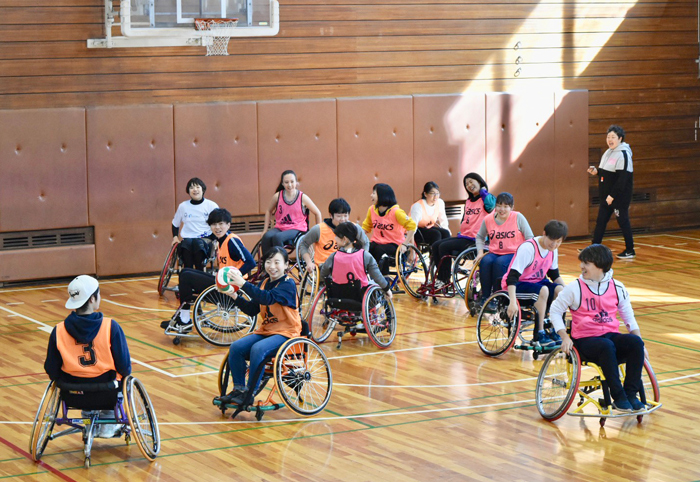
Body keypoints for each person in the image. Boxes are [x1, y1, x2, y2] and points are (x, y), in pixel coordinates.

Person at [550, 244, 648, 412]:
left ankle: (631, 394)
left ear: (600, 265)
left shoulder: (617, 287)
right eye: (582, 262)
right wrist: (564, 337)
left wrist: (640, 341)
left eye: (586, 263)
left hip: (610, 336)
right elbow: (555, 311)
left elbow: (628, 317)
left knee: (635, 343)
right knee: (606, 346)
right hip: (584, 341)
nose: (582, 266)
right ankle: (619, 397)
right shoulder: (574, 288)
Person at [44, 275, 131, 438]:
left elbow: (51, 369)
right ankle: (107, 420)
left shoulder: (59, 330)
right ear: (92, 298)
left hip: (73, 395)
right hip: (107, 392)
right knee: (123, 380)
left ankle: (87, 416)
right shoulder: (111, 327)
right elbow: (125, 366)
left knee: (78, 383)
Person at [215, 247, 302, 406]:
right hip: (268, 331)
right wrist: (234, 295)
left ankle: (250, 393)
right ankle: (239, 390)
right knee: (236, 347)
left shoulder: (288, 284)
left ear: (286, 264)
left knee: (258, 349)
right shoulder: (264, 283)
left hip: (287, 333)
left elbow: (267, 299)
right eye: (268, 262)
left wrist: (243, 284)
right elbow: (251, 309)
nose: (272, 266)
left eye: (277, 262)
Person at [161, 208, 255, 332]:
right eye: (214, 224)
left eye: (221, 224)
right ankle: (183, 317)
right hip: (222, 285)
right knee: (184, 272)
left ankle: (184, 320)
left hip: (231, 290)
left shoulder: (232, 240)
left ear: (228, 225)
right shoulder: (219, 240)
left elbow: (251, 262)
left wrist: (234, 278)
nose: (217, 227)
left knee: (187, 276)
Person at [501, 220, 568, 347]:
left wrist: (568, 293)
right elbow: (512, 277)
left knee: (560, 291)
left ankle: (555, 330)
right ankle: (540, 333)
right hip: (518, 285)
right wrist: (512, 301)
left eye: (559, 241)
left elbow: (554, 275)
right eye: (552, 240)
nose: (554, 245)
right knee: (543, 290)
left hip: (537, 283)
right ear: (544, 234)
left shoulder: (553, 250)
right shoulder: (528, 248)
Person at [430, 173, 495, 286]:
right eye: (466, 184)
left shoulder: (487, 198)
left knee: (443, 246)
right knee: (436, 245)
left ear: (479, 182)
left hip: (476, 239)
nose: (469, 185)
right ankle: (441, 277)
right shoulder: (469, 201)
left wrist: (483, 192)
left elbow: (490, 207)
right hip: (465, 236)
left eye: (471, 181)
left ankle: (444, 279)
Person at [475, 192, 534, 303]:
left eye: (506, 206)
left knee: (499, 263)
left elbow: (530, 238)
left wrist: (527, 256)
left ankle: (497, 297)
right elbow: (479, 237)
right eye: (499, 205)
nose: (502, 209)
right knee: (485, 261)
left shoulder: (518, 217)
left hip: (514, 252)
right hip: (495, 252)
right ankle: (485, 296)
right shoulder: (488, 219)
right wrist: (480, 252)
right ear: (495, 206)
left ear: (511, 208)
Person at [587, 125, 635, 259]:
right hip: (606, 196)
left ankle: (630, 250)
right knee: (601, 221)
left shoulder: (624, 154)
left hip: (618, 197)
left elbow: (622, 179)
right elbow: (606, 173)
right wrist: (596, 171)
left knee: (623, 221)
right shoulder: (608, 152)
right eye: (608, 137)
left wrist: (612, 196)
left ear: (620, 139)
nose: (610, 139)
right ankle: (594, 247)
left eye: (613, 137)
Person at [319, 222, 393, 298]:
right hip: (359, 298)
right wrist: (387, 289)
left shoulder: (333, 256)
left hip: (337, 298)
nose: (335, 239)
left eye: (336, 236)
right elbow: (377, 276)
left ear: (344, 239)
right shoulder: (365, 255)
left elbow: (323, 275)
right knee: (373, 284)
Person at [298, 198, 369, 274]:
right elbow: (303, 244)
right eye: (339, 216)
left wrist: (362, 259)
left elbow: (365, 242)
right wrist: (309, 262)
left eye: (345, 216)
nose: (343, 219)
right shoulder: (319, 229)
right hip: (326, 267)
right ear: (331, 215)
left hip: (349, 265)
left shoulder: (354, 228)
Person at [261, 170, 322, 257]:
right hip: (280, 227)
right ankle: (266, 264)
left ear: (296, 182)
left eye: (292, 182)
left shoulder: (302, 197)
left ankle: (282, 264)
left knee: (278, 237)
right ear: (282, 183)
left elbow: (317, 213)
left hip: (297, 229)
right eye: (286, 182)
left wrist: (318, 232)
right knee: (266, 237)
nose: (289, 185)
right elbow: (268, 211)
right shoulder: (277, 196)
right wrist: (264, 230)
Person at [362, 183, 417, 275]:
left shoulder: (396, 212)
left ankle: (384, 280)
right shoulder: (371, 210)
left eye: (374, 193)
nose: (371, 195)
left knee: (379, 250)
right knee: (365, 249)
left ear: (382, 196)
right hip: (377, 242)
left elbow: (412, 226)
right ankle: (366, 276)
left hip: (395, 244)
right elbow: (366, 227)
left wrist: (405, 244)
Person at [171, 177, 219, 270]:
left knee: (198, 243)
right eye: (192, 187)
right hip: (188, 239)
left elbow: (218, 224)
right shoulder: (183, 206)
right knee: (186, 244)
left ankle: (199, 272)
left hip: (205, 239)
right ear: (188, 191)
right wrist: (175, 237)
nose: (195, 190)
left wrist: (216, 240)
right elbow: (175, 223)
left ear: (203, 189)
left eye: (197, 187)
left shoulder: (211, 205)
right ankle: (187, 273)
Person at [410, 181, 450, 247]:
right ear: (425, 194)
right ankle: (434, 255)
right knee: (436, 234)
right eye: (432, 194)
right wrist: (412, 246)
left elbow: (443, 220)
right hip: (416, 230)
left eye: (437, 194)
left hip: (429, 228)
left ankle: (445, 255)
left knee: (445, 233)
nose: (435, 197)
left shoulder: (440, 202)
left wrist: (447, 231)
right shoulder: (418, 206)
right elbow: (412, 227)